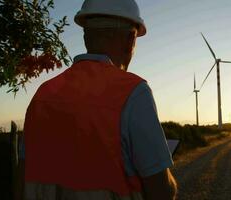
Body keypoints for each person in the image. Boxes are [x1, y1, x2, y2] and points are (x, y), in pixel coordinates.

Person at [19, 0, 177, 199]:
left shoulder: (43, 94)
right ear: (130, 40)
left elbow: (22, 178)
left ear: (86, 36)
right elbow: (161, 191)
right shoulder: (134, 92)